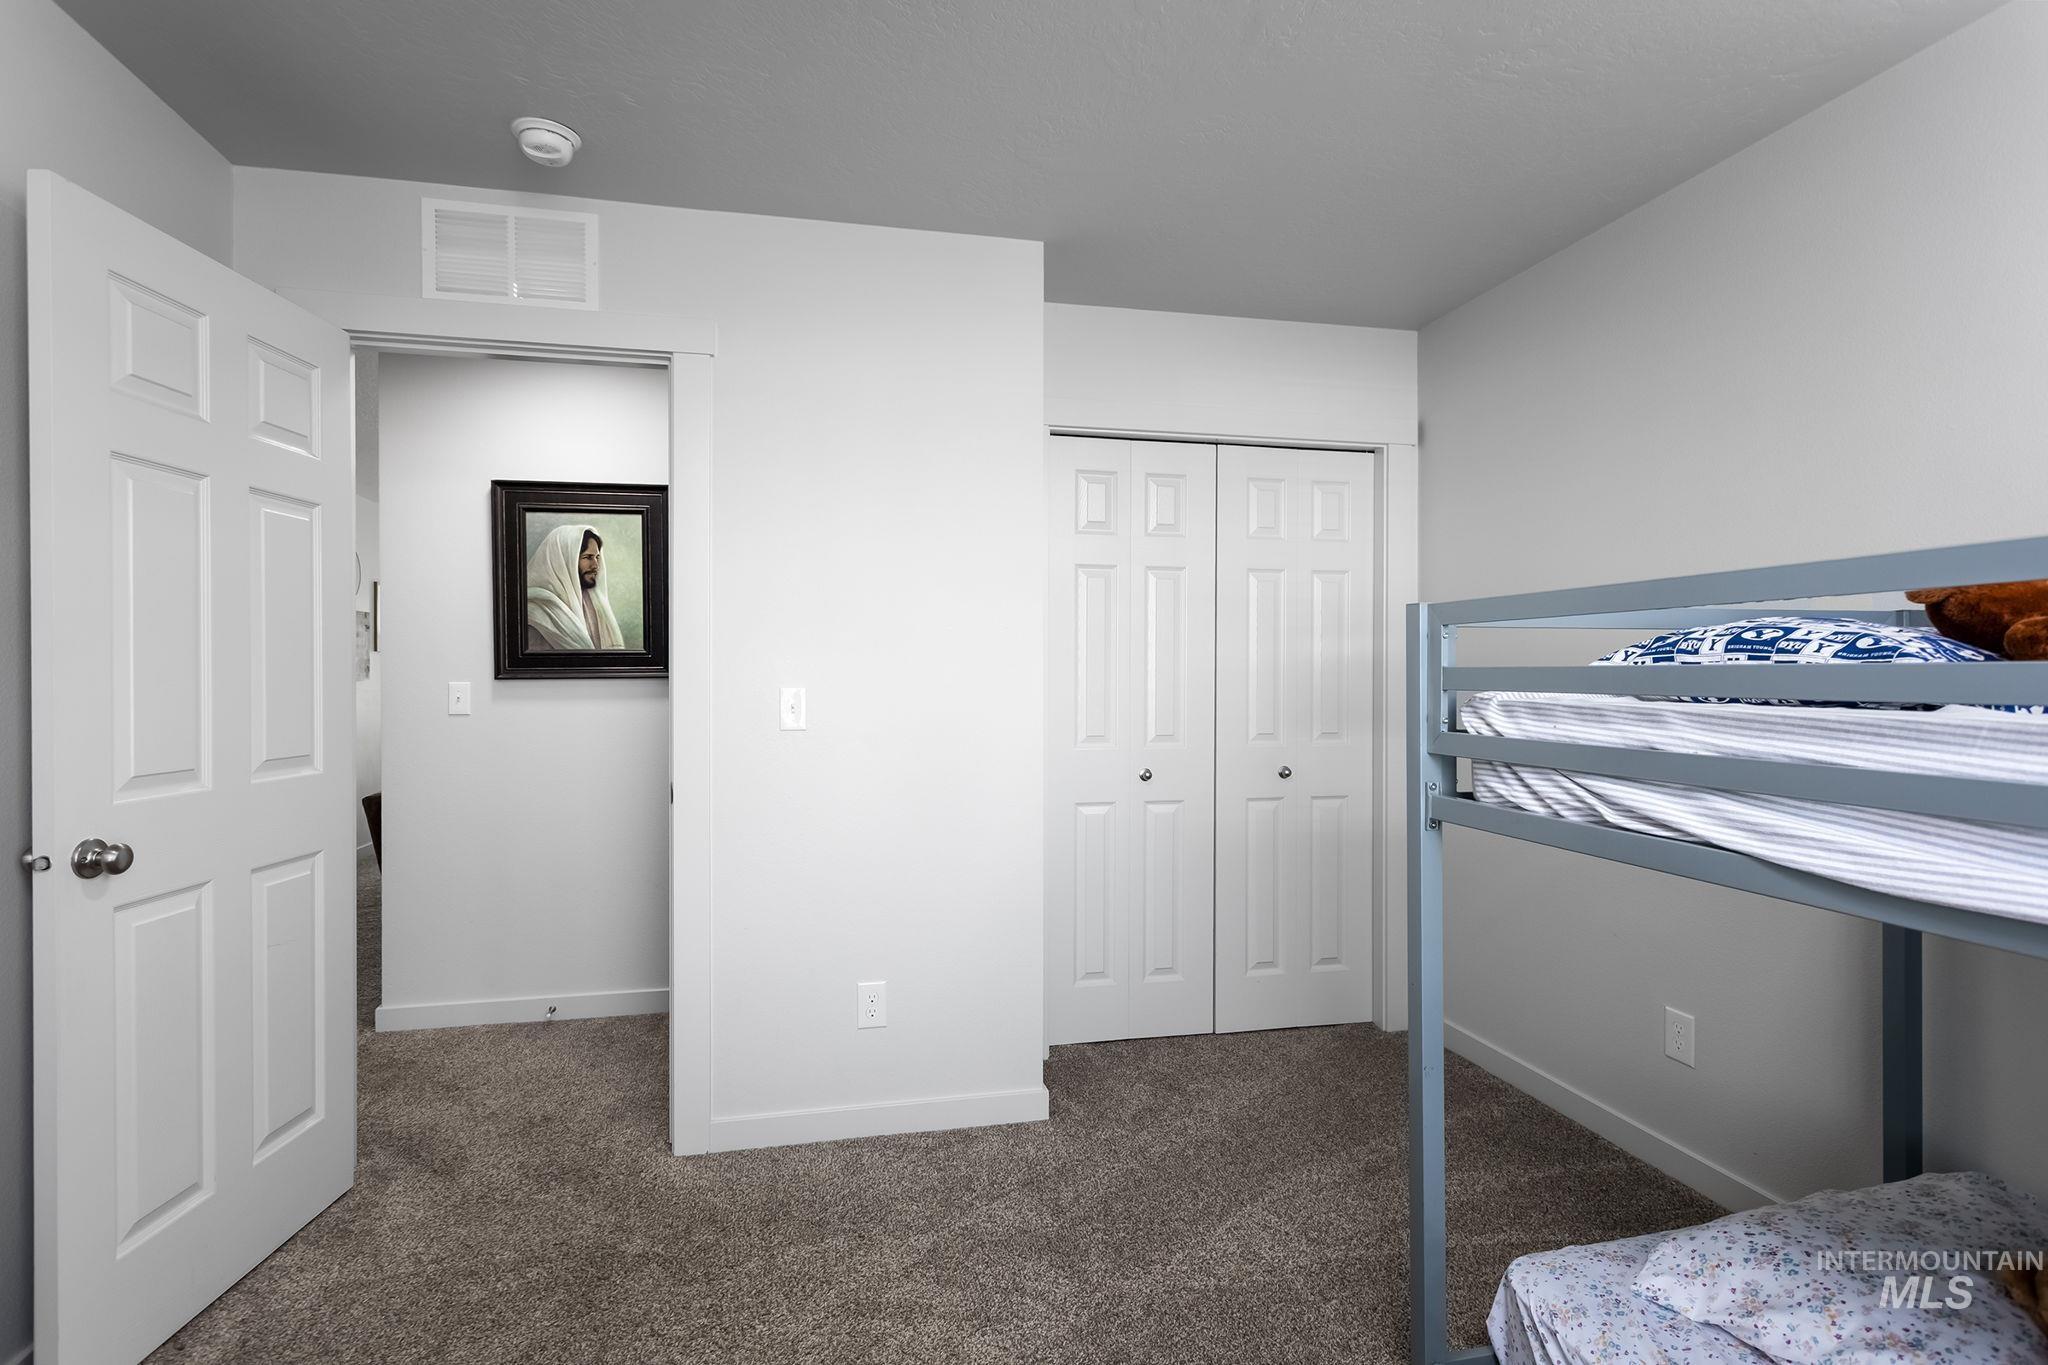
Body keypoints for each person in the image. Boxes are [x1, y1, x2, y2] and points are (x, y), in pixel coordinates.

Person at [525, 523, 625, 650]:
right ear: (565, 560)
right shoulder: (534, 612)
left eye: (597, 557)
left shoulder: (590, 604)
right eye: (588, 557)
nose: (596, 566)